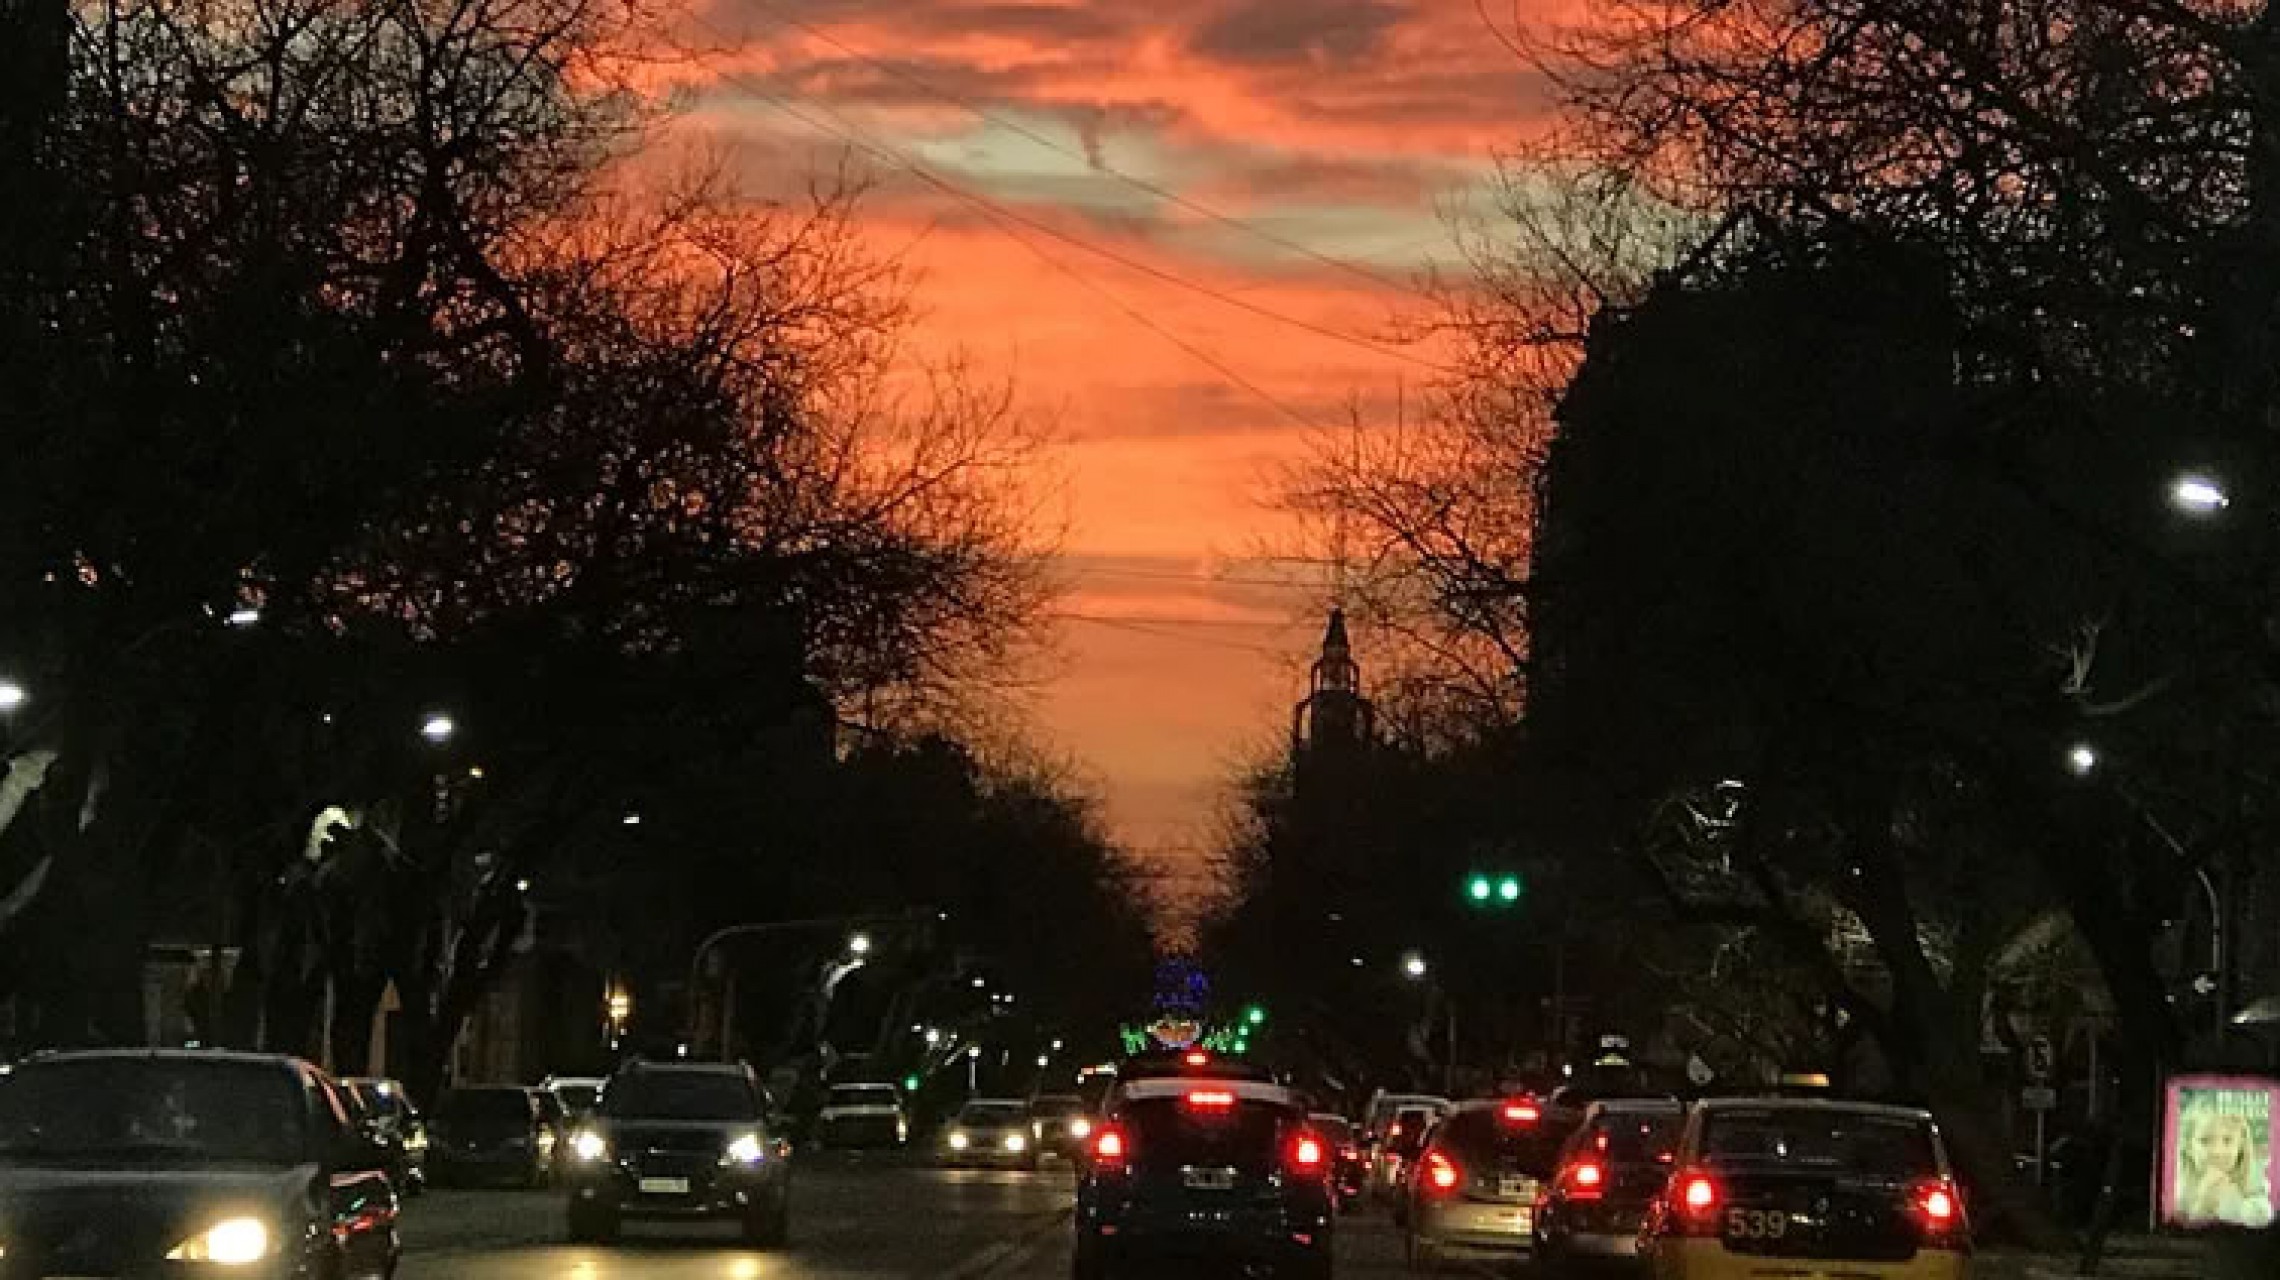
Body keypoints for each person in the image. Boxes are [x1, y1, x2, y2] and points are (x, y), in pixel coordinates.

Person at [2175, 1095, 2275, 1229]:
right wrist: (2205, 1205)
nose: (2217, 1152)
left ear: (2240, 1146)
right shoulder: (2179, 1188)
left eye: (2227, 1140)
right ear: (2188, 1146)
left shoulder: (2255, 1182)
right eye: (2205, 1140)